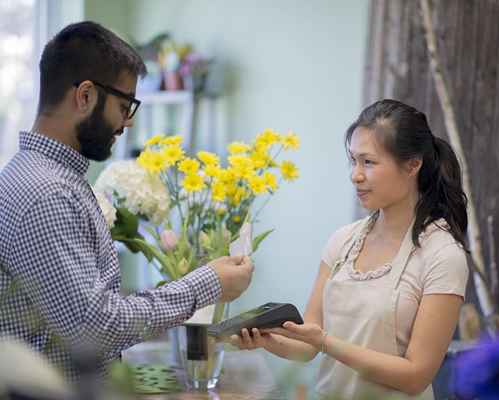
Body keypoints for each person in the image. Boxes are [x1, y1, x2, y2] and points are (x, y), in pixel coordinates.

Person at [0, 21, 253, 381]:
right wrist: (207, 283)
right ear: (85, 96)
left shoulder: (42, 176)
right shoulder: (48, 194)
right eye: (125, 105)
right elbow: (96, 326)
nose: (127, 124)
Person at [231, 99, 469, 399]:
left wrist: (326, 343)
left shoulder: (442, 255)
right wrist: (265, 338)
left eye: (368, 162)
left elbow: (415, 376)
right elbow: (308, 345)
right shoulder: (343, 241)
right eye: (353, 160)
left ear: (413, 164)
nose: (355, 175)